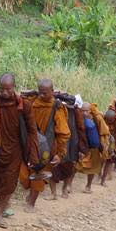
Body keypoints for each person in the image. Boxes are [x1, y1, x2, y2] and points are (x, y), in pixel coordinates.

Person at [0, 73, 35, 228]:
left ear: (14, 87)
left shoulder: (23, 105)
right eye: (2, 89)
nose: (4, 93)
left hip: (14, 150)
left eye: (8, 89)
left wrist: (33, 153)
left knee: (9, 182)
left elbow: (32, 130)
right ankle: (5, 206)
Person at [20, 79, 70, 208]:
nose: (42, 96)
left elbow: (63, 133)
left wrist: (60, 153)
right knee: (25, 174)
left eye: (46, 93)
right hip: (29, 144)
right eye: (40, 93)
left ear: (52, 92)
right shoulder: (32, 102)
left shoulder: (57, 107)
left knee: (39, 173)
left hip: (46, 147)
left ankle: (32, 203)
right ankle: (31, 194)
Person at [75, 103, 107, 193]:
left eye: (86, 111)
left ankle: (88, 186)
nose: (84, 113)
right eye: (82, 111)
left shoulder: (96, 119)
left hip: (93, 147)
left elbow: (102, 131)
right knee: (75, 166)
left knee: (92, 168)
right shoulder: (77, 119)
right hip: (81, 146)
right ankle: (68, 186)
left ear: (90, 110)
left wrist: (101, 144)